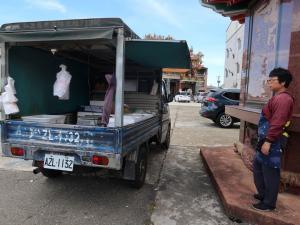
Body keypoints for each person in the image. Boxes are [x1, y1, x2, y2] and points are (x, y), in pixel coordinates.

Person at [252, 68, 294, 211]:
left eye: (272, 80)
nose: (269, 82)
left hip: (272, 141)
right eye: (268, 79)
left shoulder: (284, 99)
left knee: (270, 172)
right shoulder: (277, 97)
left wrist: (268, 142)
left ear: (282, 82)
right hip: (265, 139)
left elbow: (277, 122)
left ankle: (269, 203)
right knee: (258, 167)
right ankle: (263, 194)